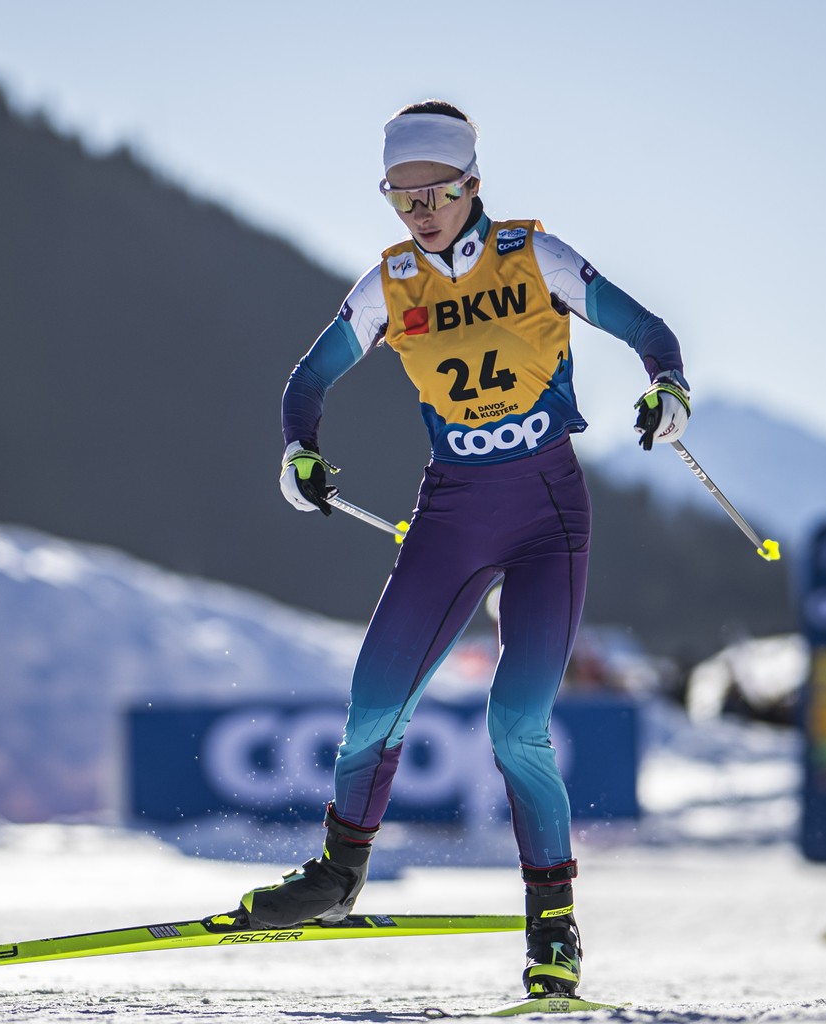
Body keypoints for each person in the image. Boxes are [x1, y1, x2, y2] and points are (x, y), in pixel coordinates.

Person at [233, 100, 690, 999]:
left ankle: (553, 930)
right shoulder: (391, 282)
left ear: (472, 184)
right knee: (372, 708)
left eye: (435, 194)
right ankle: (337, 875)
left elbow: (649, 331)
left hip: (547, 514)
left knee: (516, 728)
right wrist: (299, 450)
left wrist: (667, 385)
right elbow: (309, 378)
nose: (419, 213)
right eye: (400, 200)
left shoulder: (534, 256)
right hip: (452, 509)